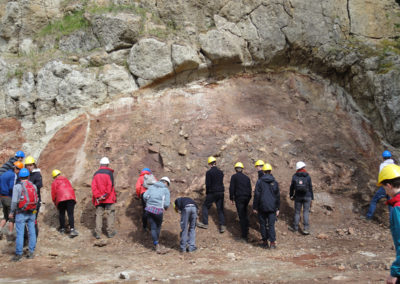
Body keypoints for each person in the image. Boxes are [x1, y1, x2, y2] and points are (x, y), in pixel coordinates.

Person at [376, 164, 400, 284]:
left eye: (384, 188)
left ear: (389, 186)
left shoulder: (397, 208)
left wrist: (395, 273)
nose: (385, 191)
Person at [10, 168, 38, 261]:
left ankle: (19, 254)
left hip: (20, 212)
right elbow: (36, 199)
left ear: (19, 176)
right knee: (32, 232)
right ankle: (31, 252)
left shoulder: (17, 187)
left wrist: (11, 212)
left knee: (20, 233)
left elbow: (14, 201)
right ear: (28, 176)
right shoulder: (33, 186)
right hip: (31, 212)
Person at [253, 163, 280, 249]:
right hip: (272, 207)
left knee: (263, 224)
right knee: (271, 225)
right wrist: (278, 208)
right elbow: (277, 196)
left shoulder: (260, 181)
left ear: (263, 172)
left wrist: (255, 207)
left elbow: (257, 195)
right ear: (270, 171)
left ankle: (265, 242)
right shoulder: (274, 182)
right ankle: (272, 243)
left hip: (262, 206)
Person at [197, 156, 226, 233]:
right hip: (221, 192)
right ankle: (222, 225)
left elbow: (208, 184)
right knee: (220, 209)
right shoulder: (221, 172)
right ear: (215, 163)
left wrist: (207, 193)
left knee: (205, 206)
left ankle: (205, 223)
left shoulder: (209, 172)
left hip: (212, 192)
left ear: (209, 164)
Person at [143, 177, 171, 254]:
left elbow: (145, 196)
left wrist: (148, 203)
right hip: (158, 210)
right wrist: (165, 207)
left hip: (149, 209)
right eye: (167, 184)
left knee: (153, 227)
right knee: (158, 227)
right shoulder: (165, 190)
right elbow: (167, 203)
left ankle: (155, 243)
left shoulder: (151, 187)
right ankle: (157, 244)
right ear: (166, 183)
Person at [365, 150, 395, 220]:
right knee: (391, 205)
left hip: (385, 187)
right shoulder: (394, 165)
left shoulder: (383, 165)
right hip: (392, 188)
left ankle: (368, 217)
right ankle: (393, 222)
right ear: (390, 157)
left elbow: (381, 176)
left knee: (374, 201)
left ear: (383, 158)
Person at [91, 157, 117, 239]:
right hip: (108, 198)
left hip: (99, 200)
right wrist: (105, 195)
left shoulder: (96, 174)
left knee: (99, 215)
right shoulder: (109, 173)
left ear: (100, 164)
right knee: (110, 214)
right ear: (107, 164)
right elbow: (110, 186)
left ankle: (98, 233)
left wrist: (98, 196)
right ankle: (110, 232)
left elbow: (93, 187)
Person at [288, 161, 314, 235]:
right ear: (303, 167)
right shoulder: (308, 176)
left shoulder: (295, 176)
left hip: (298, 197)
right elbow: (310, 187)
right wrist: (312, 197)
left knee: (297, 212)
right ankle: (305, 229)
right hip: (307, 196)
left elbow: (292, 187)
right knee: (306, 212)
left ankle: (295, 228)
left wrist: (291, 195)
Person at [51, 169, 78, 238]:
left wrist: (55, 203)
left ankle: (62, 229)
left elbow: (53, 194)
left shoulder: (54, 182)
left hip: (61, 199)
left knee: (62, 214)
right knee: (70, 214)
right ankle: (72, 229)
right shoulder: (66, 180)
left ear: (54, 177)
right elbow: (71, 189)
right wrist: (74, 200)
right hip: (71, 198)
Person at [0, 161, 23, 240]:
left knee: (5, 216)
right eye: (19, 170)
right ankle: (10, 235)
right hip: (9, 197)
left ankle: (0, 230)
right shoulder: (13, 175)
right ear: (16, 169)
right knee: (11, 217)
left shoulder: (4, 174)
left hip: (2, 197)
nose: (19, 172)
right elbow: (11, 187)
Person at [229, 162, 252, 241]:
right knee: (244, 214)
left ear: (235, 169)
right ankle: (247, 229)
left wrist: (231, 198)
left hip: (239, 198)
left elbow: (232, 188)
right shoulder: (247, 178)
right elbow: (250, 189)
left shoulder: (234, 177)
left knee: (241, 216)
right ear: (242, 169)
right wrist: (249, 198)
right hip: (246, 198)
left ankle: (244, 236)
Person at [25, 156, 42, 238]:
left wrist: (29, 187)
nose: (29, 167)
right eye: (27, 165)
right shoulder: (25, 174)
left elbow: (39, 185)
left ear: (34, 165)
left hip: (35, 202)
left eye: (31, 165)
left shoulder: (37, 174)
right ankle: (28, 238)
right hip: (26, 202)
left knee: (33, 219)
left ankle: (34, 238)